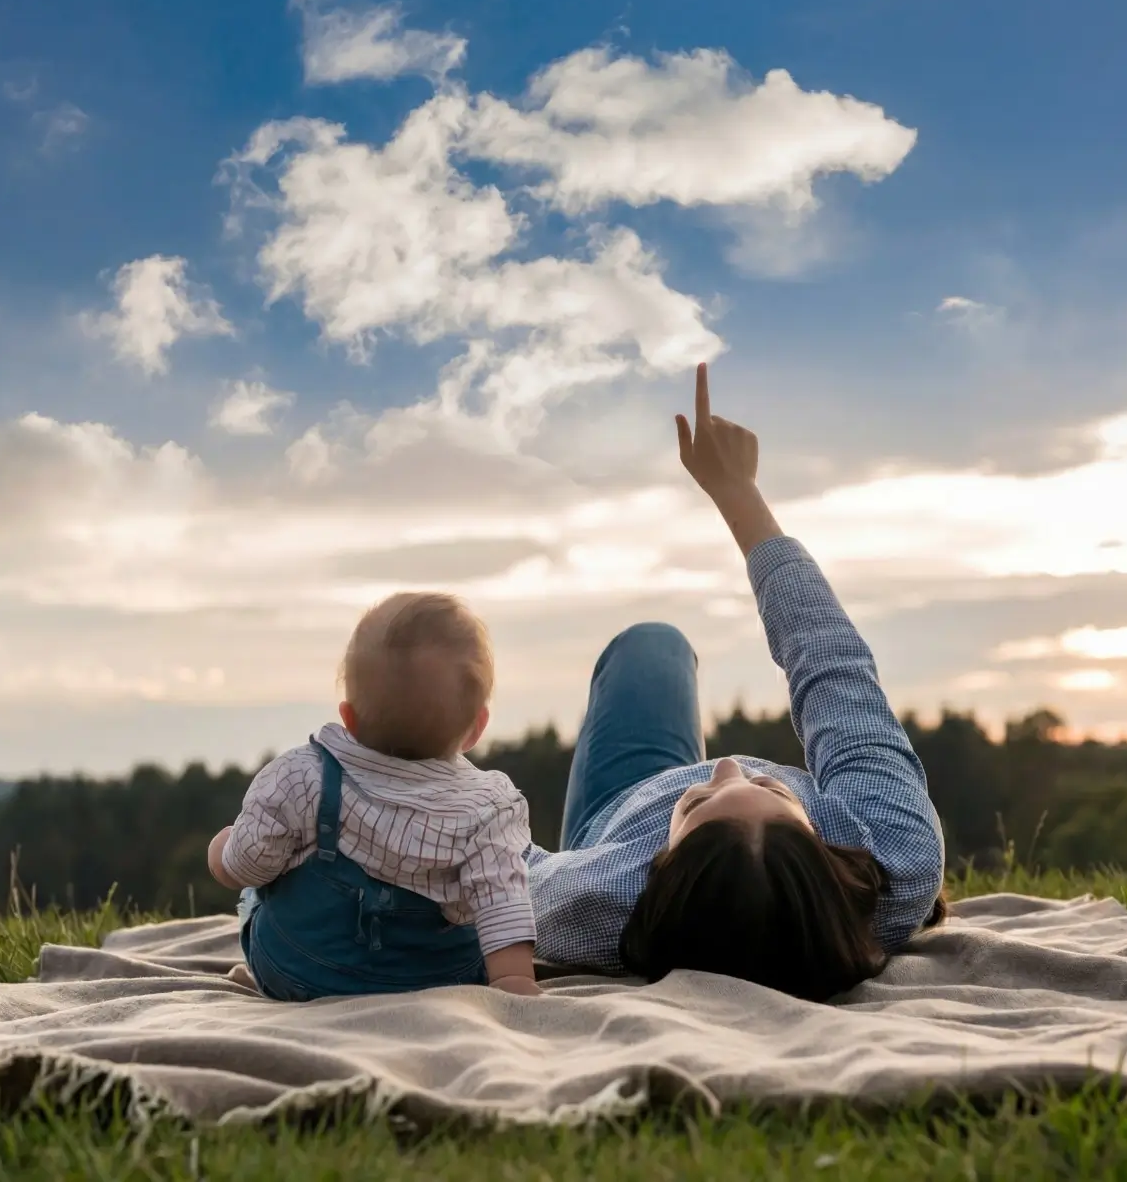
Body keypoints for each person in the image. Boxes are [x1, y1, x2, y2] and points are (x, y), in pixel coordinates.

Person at [526, 363, 946, 1002]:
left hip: (624, 805)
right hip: (701, 841)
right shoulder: (893, 857)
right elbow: (832, 667)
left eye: (697, 804)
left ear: (658, 873)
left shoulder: (586, 901)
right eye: (772, 789)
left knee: (651, 645)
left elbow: (471, 854)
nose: (722, 767)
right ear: (824, 856)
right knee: (665, 645)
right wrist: (739, 494)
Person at [207, 592, 540, 1000]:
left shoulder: (302, 777)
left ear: (348, 717)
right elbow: (503, 905)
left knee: (257, 884)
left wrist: (221, 852)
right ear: (477, 728)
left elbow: (246, 866)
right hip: (439, 983)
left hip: (301, 974)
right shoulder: (489, 809)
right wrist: (513, 985)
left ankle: (265, 974)